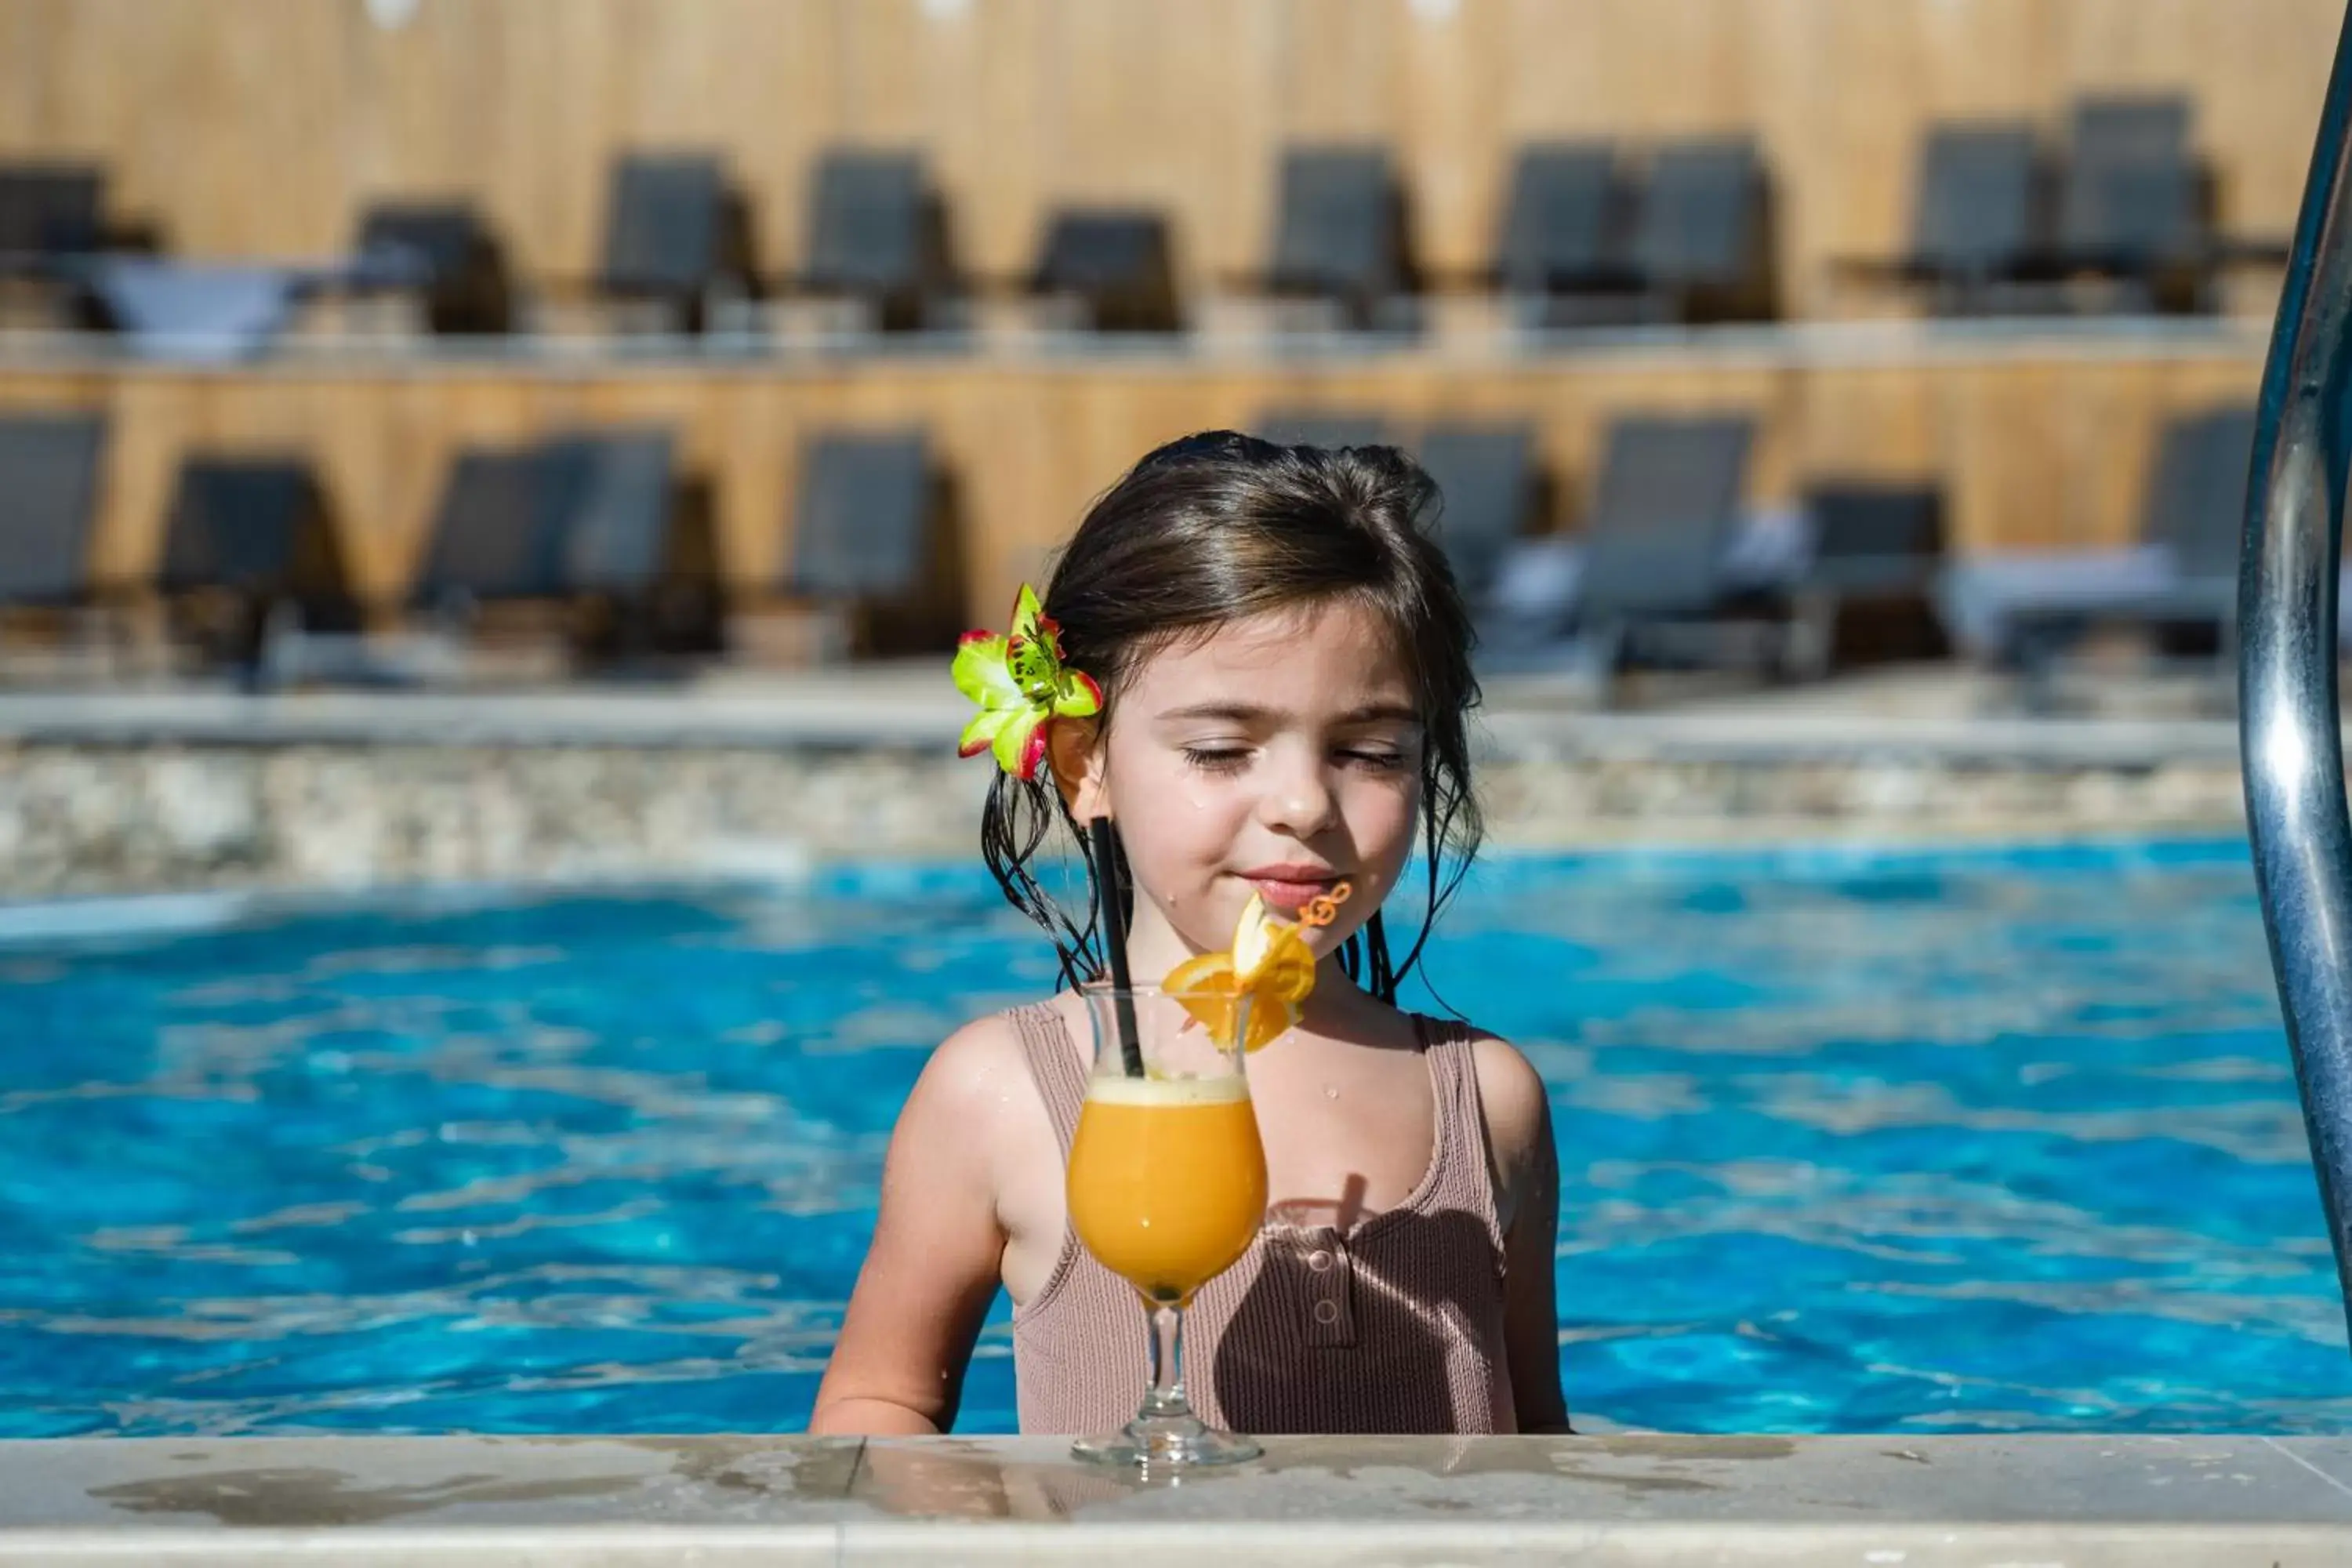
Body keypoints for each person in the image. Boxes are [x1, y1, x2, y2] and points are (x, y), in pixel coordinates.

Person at [809, 431, 1568, 1437]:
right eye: (1220, 749)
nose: (1303, 801)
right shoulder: (1002, 1091)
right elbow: (879, 1403)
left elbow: (1538, 1449)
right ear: (1085, 765)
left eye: (1369, 750)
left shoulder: (1485, 1098)